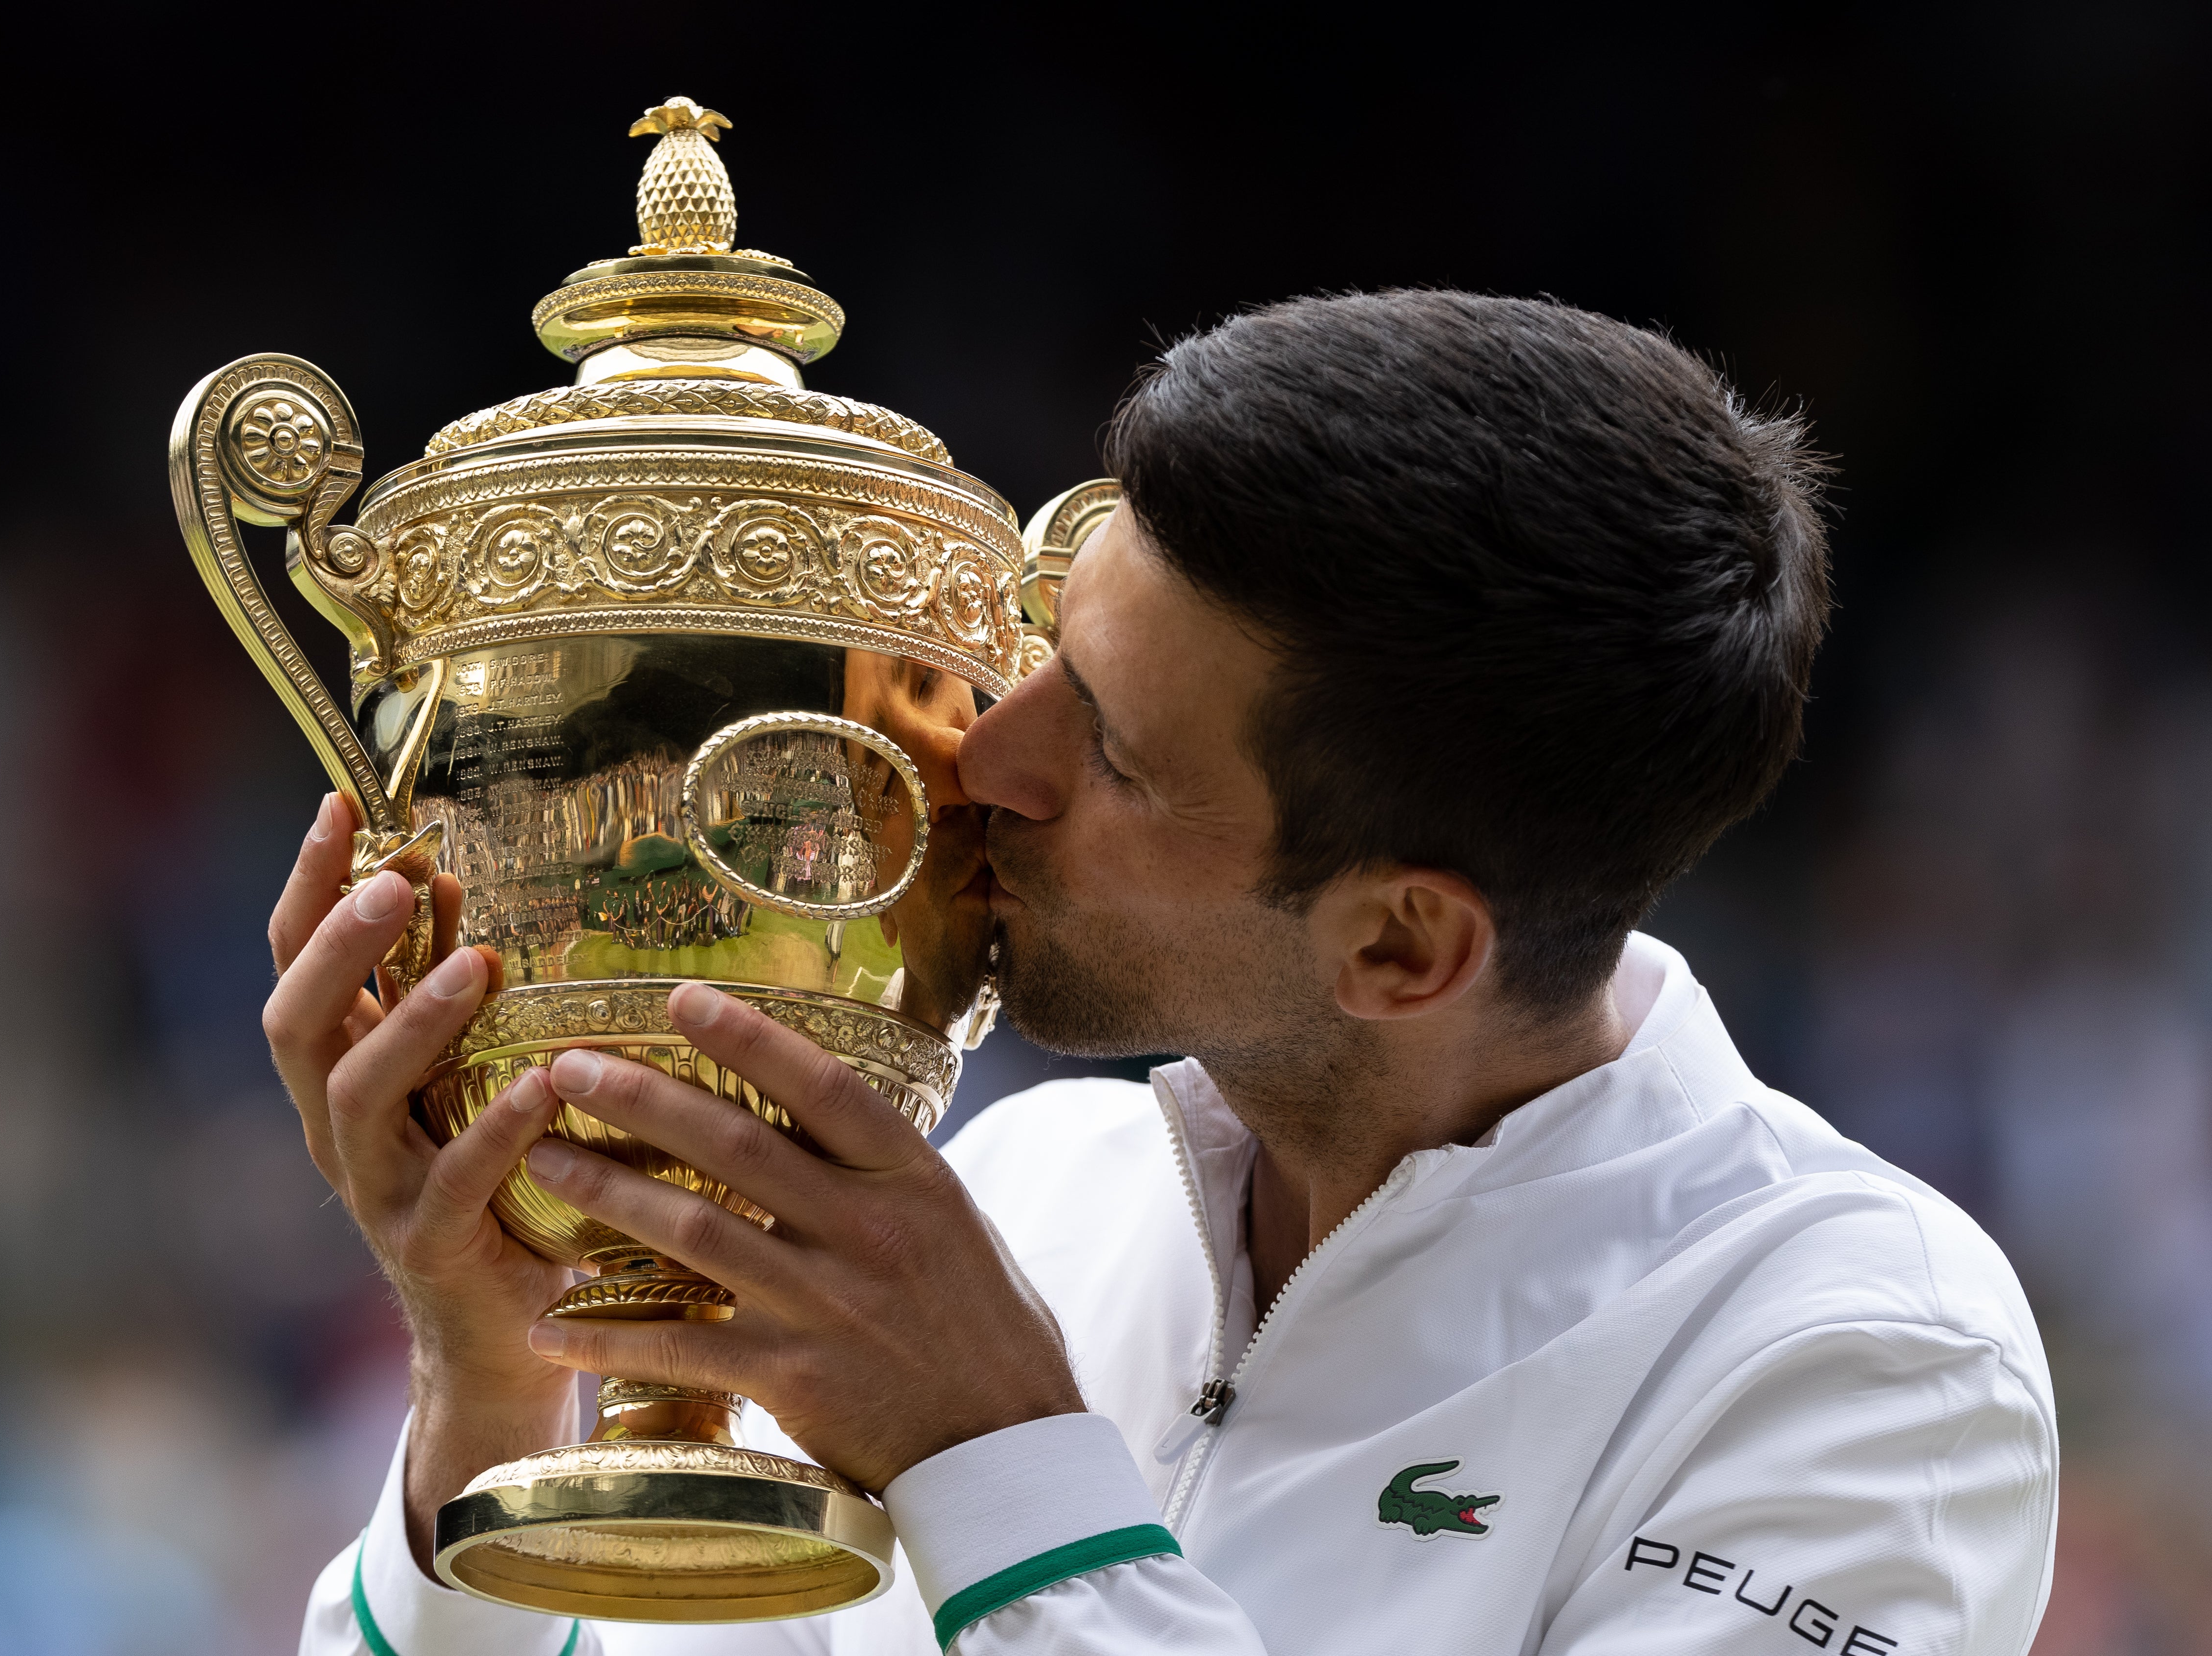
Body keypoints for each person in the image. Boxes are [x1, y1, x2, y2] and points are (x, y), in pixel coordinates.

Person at [281, 291, 2056, 1654]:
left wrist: (1004, 1468)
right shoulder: (1030, 1190)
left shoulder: (1862, 1360)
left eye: (1115, 752)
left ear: (1400, 942)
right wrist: (495, 1393)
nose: (986, 760)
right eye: (1044, 653)